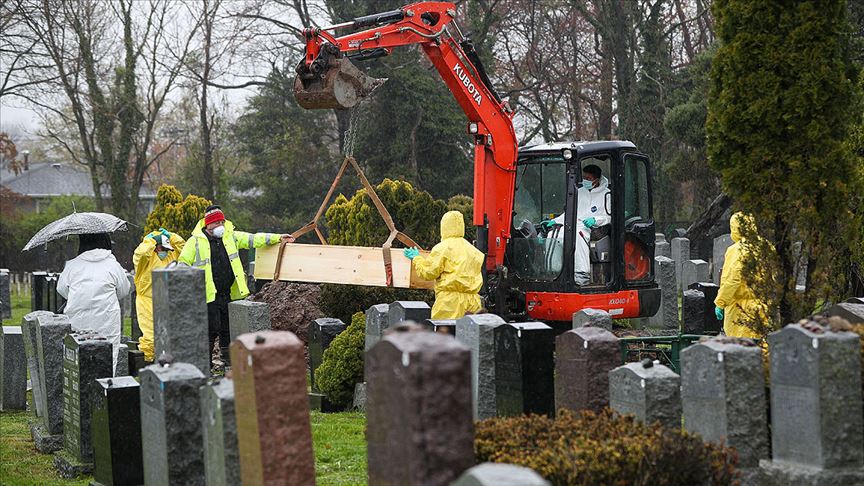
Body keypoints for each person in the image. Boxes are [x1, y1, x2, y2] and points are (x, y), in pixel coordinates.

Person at [179, 205, 293, 368]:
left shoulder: (230, 237)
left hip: (228, 294)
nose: (220, 225)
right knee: (209, 331)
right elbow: (183, 264)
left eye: (222, 222)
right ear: (208, 224)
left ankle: (228, 364)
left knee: (227, 329)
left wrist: (277, 238)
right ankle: (205, 366)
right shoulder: (195, 242)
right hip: (207, 295)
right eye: (216, 222)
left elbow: (253, 239)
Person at [57, 232, 131, 374]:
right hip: (107, 319)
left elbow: (61, 289)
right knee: (108, 356)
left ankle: (80, 392)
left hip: (77, 318)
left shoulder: (72, 265)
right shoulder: (113, 265)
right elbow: (124, 290)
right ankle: (104, 391)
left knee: (79, 356)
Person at [403, 210, 484, 319]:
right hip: (473, 303)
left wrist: (417, 258)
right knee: (469, 334)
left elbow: (428, 273)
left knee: (446, 333)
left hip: (449, 303)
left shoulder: (442, 248)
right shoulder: (474, 251)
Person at [548, 164, 611, 285]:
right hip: (575, 223)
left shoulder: (606, 194)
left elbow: (609, 217)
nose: (586, 181)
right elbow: (570, 212)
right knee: (553, 235)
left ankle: (581, 273)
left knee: (577, 235)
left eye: (589, 178)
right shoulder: (579, 192)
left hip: (594, 228)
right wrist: (555, 221)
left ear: (597, 180)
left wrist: (595, 219)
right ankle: (554, 270)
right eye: (584, 178)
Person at [132, 228, 185, 363]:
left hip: (167, 299)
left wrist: (171, 236)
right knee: (150, 336)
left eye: (167, 248)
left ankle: (167, 363)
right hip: (147, 299)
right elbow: (141, 253)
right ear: (156, 247)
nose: (165, 251)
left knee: (171, 334)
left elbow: (183, 248)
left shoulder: (171, 255)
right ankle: (147, 363)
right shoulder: (145, 260)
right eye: (162, 248)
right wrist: (150, 240)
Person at [714, 212, 765, 339]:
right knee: (761, 346)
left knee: (741, 348)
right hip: (763, 305)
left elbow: (732, 279)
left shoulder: (736, 250)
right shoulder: (765, 247)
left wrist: (720, 302)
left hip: (740, 308)